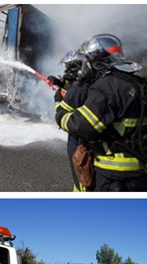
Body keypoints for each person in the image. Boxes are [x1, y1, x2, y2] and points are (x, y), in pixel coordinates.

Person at [54, 34, 147, 191]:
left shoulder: (107, 85)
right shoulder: (136, 80)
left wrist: (61, 116)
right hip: (140, 168)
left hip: (113, 174)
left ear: (97, 60)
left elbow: (84, 125)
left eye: (88, 61)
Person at [51, 50, 91, 191]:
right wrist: (59, 83)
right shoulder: (87, 81)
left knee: (81, 171)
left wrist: (57, 100)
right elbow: (70, 85)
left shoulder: (78, 87)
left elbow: (62, 113)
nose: (65, 69)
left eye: (67, 66)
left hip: (79, 138)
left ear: (73, 66)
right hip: (86, 134)